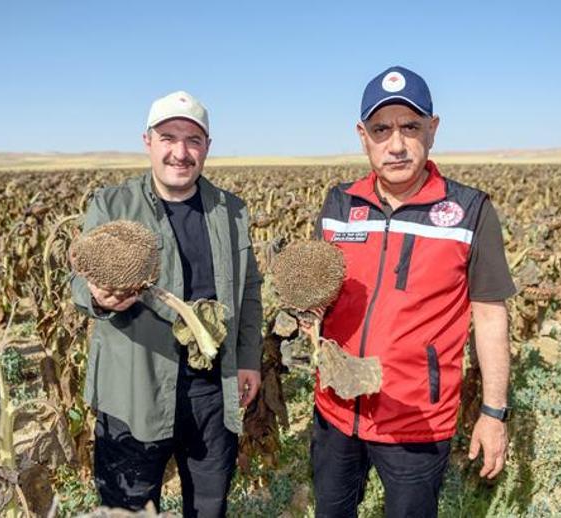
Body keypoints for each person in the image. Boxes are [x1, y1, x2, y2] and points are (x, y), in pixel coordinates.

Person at [310, 66, 516, 518]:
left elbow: (489, 316)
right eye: (382, 129)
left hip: (417, 422)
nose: (397, 144)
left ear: (433, 130)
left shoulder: (468, 212)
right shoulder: (338, 204)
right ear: (363, 135)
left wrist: (494, 413)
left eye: (411, 127)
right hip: (336, 411)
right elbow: (316, 295)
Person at [71, 90, 263, 517]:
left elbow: (248, 291)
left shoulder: (230, 210)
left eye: (193, 140)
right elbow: (79, 285)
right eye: (169, 137)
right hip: (133, 390)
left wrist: (248, 357)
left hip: (211, 391)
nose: (181, 152)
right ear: (148, 142)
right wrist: (100, 298)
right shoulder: (113, 205)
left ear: (207, 147)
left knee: (210, 505)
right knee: (130, 507)